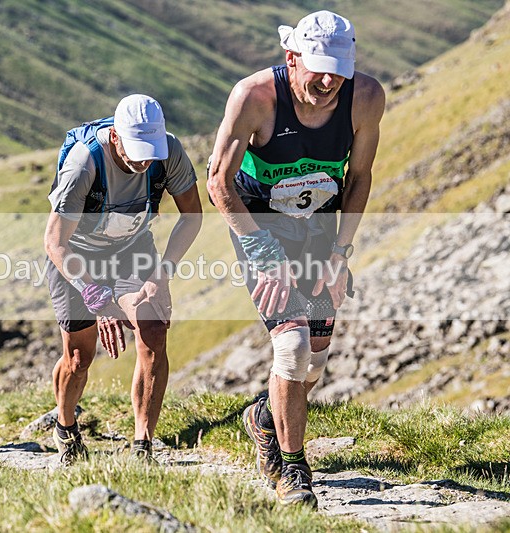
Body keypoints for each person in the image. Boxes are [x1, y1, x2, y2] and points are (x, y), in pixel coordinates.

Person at [207, 11, 385, 506]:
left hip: (321, 229)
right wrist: (263, 254)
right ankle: (293, 469)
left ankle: (264, 417)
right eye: (318, 68)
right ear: (292, 57)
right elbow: (217, 182)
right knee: (292, 346)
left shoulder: (366, 97)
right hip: (262, 228)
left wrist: (340, 253)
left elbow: (360, 177)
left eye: (339, 68)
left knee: (317, 358)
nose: (329, 81)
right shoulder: (254, 97)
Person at [45, 94, 202, 464]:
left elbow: (192, 216)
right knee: (80, 357)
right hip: (77, 258)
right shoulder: (84, 163)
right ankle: (66, 428)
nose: (145, 160)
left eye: (151, 151)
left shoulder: (169, 153)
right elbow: (55, 242)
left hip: (132, 248)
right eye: (136, 151)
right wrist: (96, 298)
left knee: (153, 335)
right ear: (115, 136)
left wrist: (162, 273)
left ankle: (142, 445)